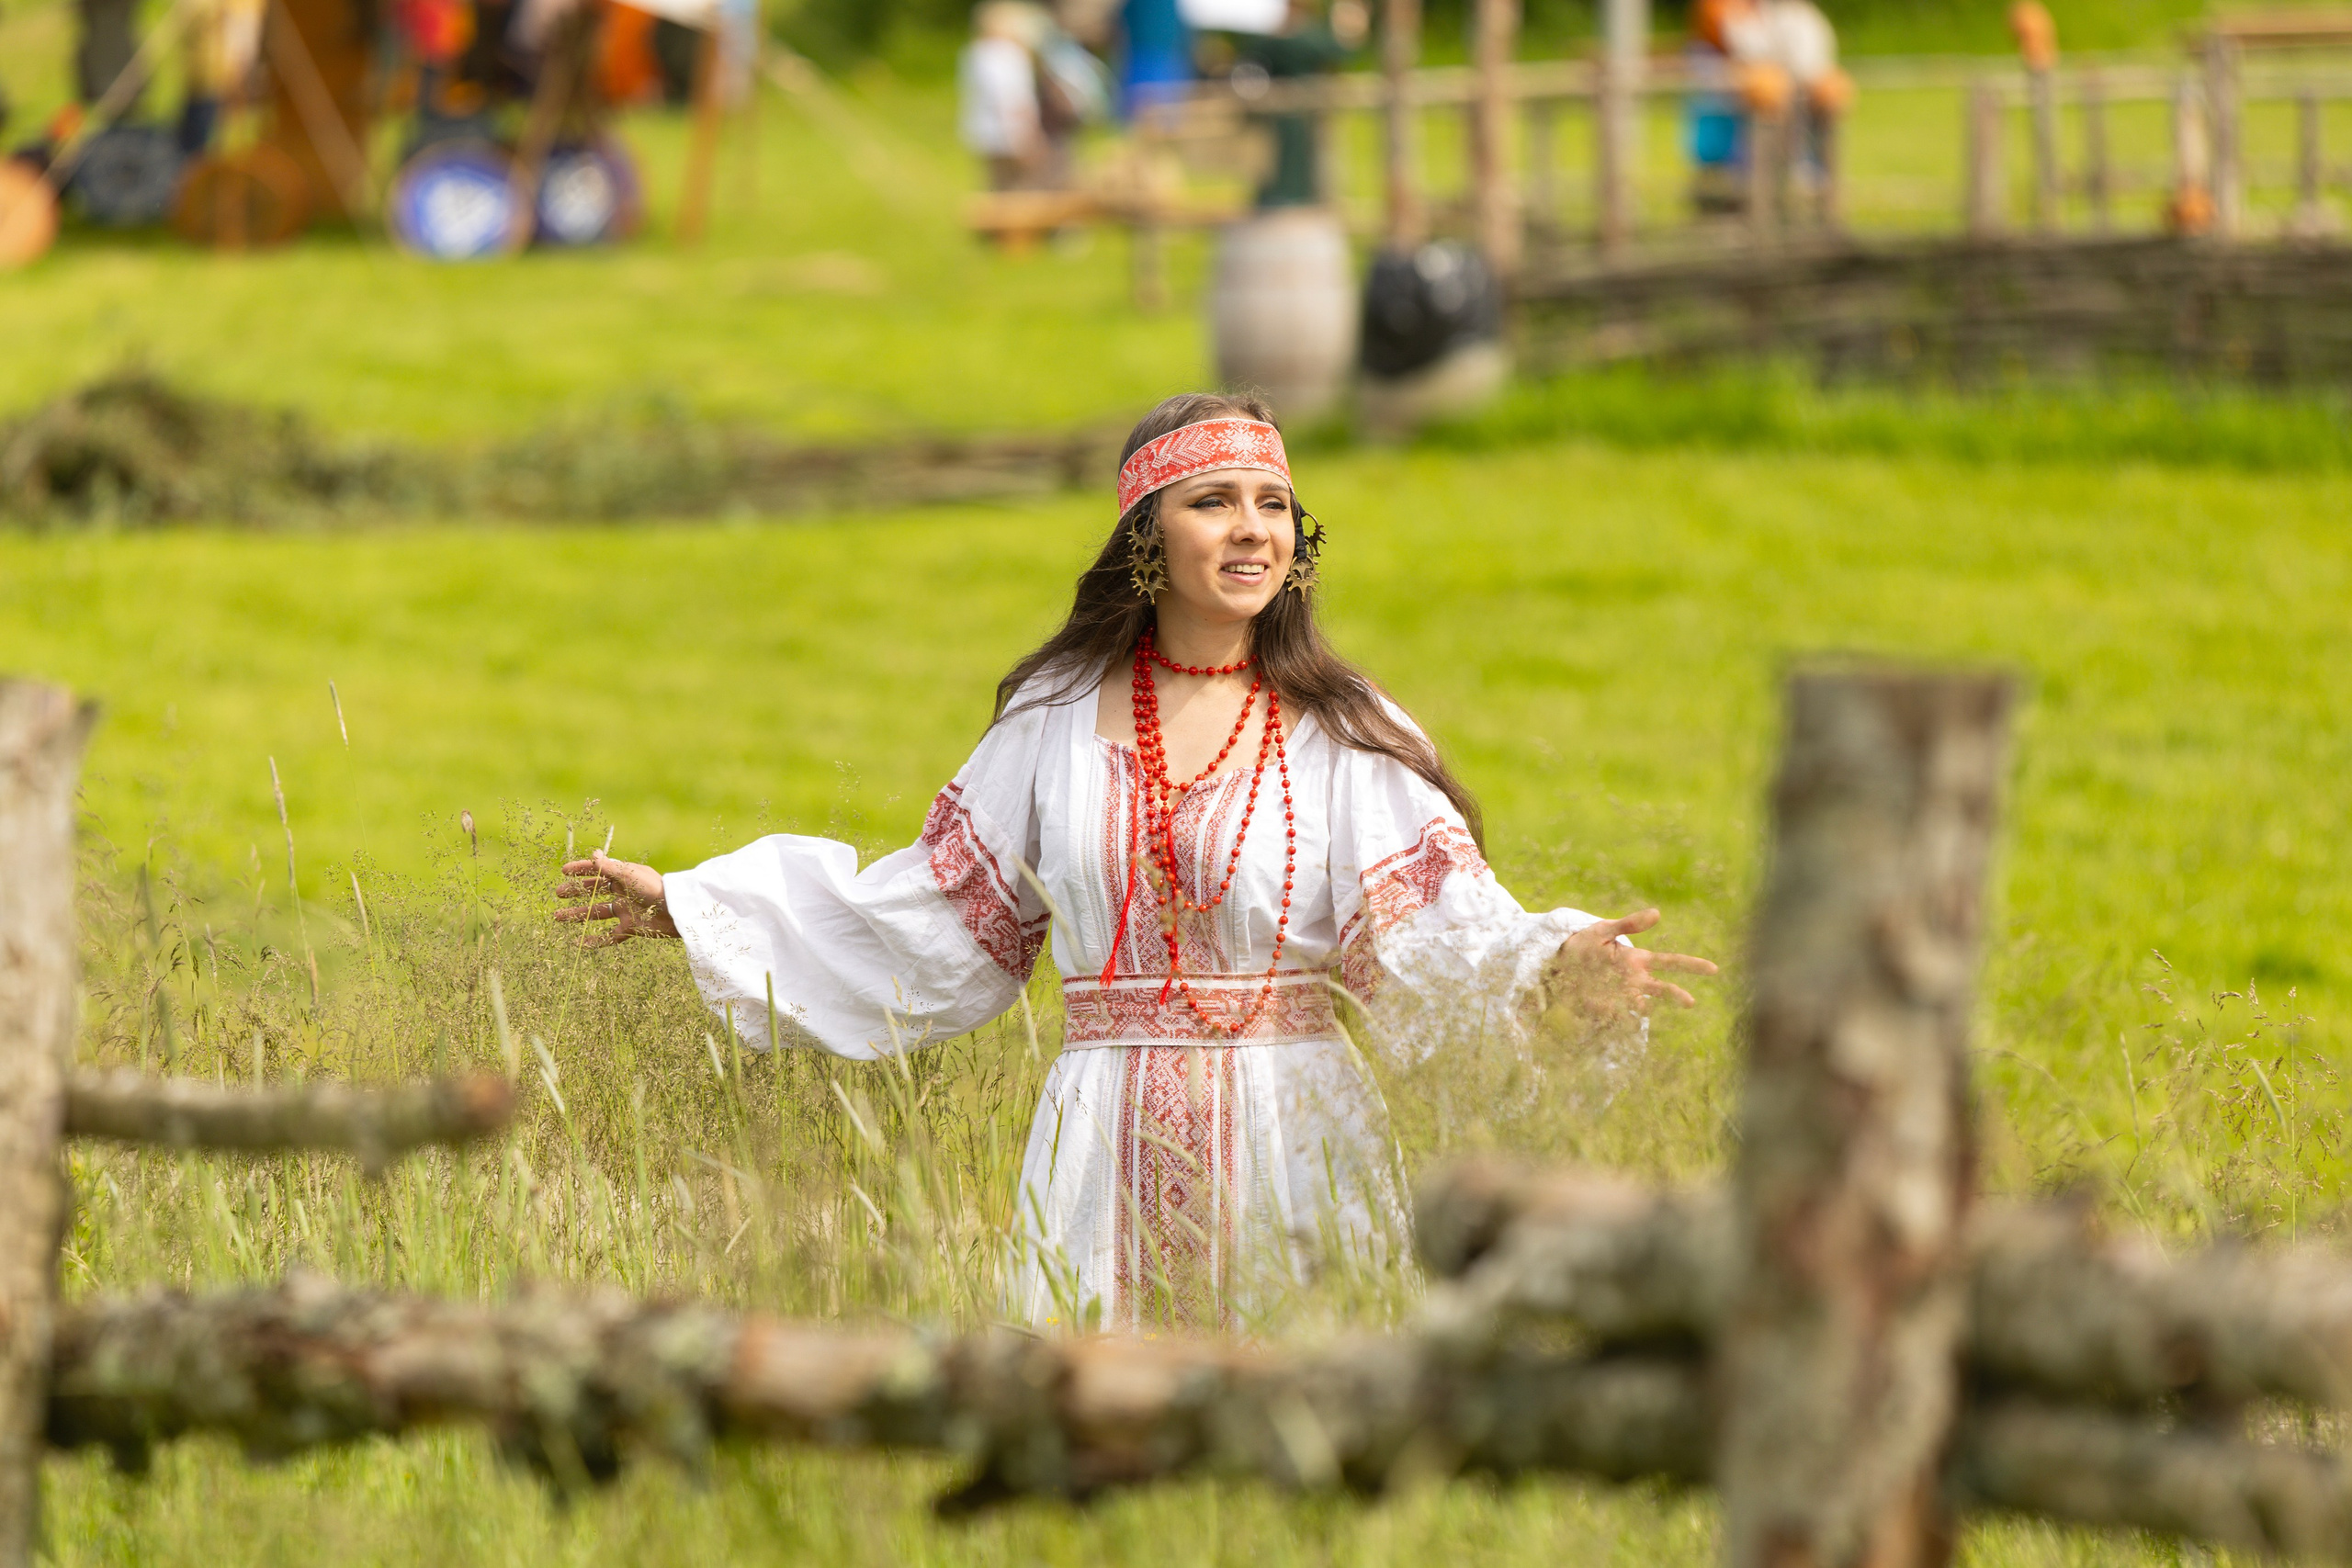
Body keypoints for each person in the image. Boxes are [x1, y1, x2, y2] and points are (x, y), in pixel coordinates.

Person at [556, 393, 1715, 1332]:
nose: (1254, 527)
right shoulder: (1055, 719)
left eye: (1274, 503)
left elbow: (1439, 928)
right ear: (1147, 536)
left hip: (1293, 1129)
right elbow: (938, 917)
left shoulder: (1344, 727)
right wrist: (701, 911)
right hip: (1098, 1135)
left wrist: (1553, 967)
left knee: (1297, 1434)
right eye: (1215, 501)